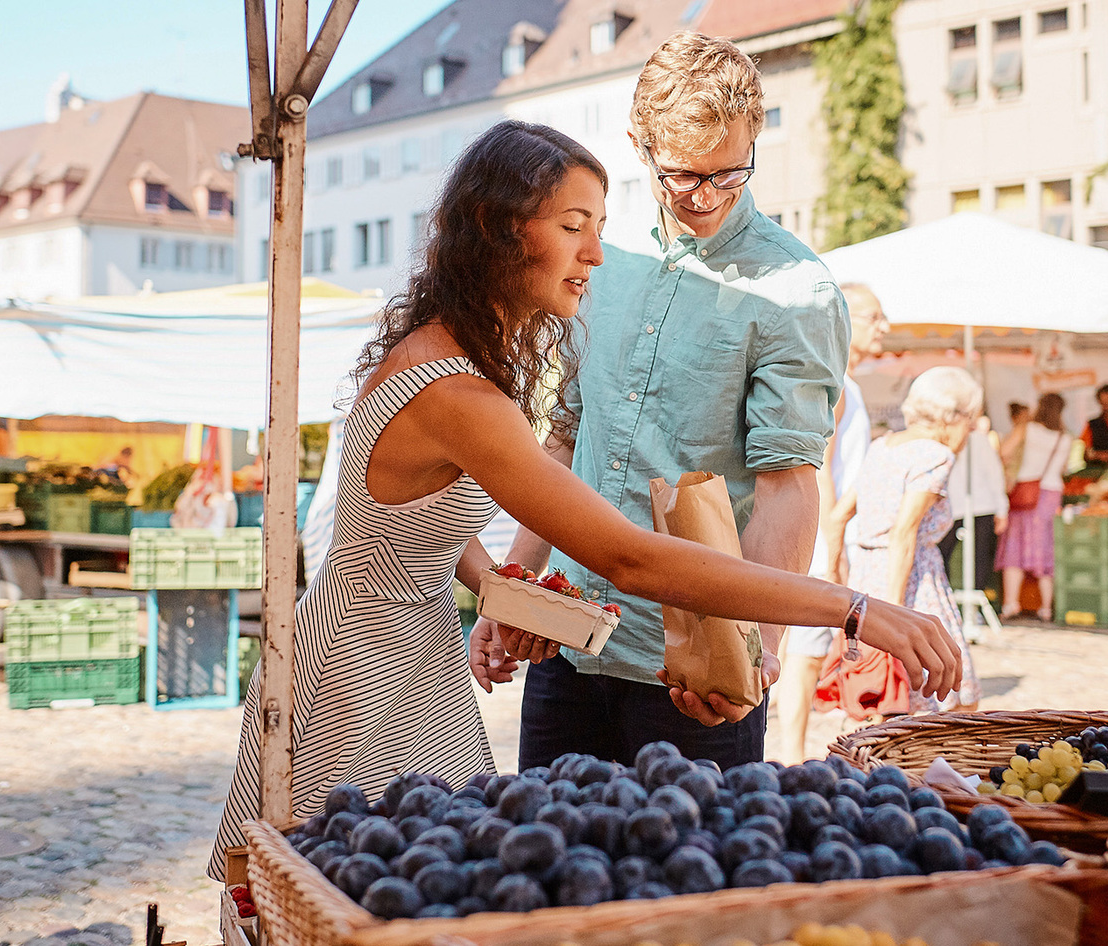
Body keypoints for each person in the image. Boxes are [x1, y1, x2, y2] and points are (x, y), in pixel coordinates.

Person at [208, 121, 961, 879]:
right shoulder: (459, 392)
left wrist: (501, 589)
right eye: (574, 228)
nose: (596, 254)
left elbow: (417, 525)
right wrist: (852, 608)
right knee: (367, 891)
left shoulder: (447, 354)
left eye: (599, 228)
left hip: (401, 653)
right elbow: (628, 557)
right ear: (500, 229)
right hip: (365, 671)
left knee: (421, 885)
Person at [476, 31, 853, 772]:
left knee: (685, 882)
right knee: (547, 873)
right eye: (683, 175)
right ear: (639, 146)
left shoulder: (796, 292)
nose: (706, 197)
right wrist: (509, 591)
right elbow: (563, 442)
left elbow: (787, 485)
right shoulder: (598, 260)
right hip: (568, 643)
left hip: (696, 666)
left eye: (729, 174)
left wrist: (759, 653)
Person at [821, 367, 984, 717]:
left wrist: (837, 574)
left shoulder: (882, 446)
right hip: (910, 580)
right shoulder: (936, 455)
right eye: (970, 419)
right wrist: (893, 613)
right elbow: (904, 532)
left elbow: (838, 516)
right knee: (955, 692)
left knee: (883, 700)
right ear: (951, 417)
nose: (971, 429)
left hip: (866, 578)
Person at [775, 283, 887, 762]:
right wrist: (832, 545)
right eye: (875, 317)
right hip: (820, 534)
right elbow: (819, 468)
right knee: (803, 654)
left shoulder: (848, 384)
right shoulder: (835, 382)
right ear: (848, 319)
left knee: (809, 653)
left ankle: (793, 752)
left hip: (826, 532)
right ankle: (791, 756)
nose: (885, 328)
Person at [996, 392, 1073, 621]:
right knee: (1044, 546)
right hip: (1051, 494)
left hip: (1026, 493)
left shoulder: (1027, 429)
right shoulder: (1065, 438)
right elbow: (1064, 469)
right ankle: (1046, 607)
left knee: (1015, 546)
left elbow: (1004, 452)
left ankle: (1011, 604)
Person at [937, 415, 1008, 597]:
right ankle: (945, 598)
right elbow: (994, 473)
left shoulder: (975, 440)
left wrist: (1001, 507)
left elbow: (994, 473)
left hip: (971, 506)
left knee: (976, 557)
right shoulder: (941, 440)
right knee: (967, 556)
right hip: (960, 507)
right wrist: (1001, 508)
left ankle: (968, 603)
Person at [1080, 384, 1108, 476]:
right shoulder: (1092, 424)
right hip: (1097, 472)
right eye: (1103, 403)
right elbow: (1086, 454)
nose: (1106, 406)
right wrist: (1098, 455)